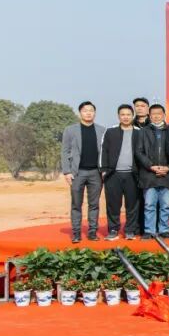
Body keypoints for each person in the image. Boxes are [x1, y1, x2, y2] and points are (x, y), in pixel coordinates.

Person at [61, 101, 106, 242]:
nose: (88, 113)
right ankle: (76, 233)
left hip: (96, 173)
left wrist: (104, 169)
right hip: (77, 172)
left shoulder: (102, 130)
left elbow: (105, 151)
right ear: (80, 112)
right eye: (85, 110)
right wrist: (67, 171)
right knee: (76, 204)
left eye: (91, 110)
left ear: (95, 113)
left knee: (94, 204)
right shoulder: (70, 130)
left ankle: (92, 232)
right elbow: (65, 151)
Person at [100, 104, 141, 240]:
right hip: (113, 175)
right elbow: (103, 150)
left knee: (132, 205)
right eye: (123, 114)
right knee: (113, 204)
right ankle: (113, 230)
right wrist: (103, 170)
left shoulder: (139, 132)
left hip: (132, 175)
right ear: (118, 116)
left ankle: (130, 230)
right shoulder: (110, 132)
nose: (125, 117)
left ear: (132, 116)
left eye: (128, 114)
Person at [135, 104, 169, 238]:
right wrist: (151, 166)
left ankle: (164, 230)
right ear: (149, 116)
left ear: (164, 115)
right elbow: (139, 152)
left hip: (166, 175)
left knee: (165, 205)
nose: (156, 116)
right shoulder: (143, 131)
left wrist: (168, 167)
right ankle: (149, 231)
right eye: (153, 114)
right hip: (149, 174)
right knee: (149, 205)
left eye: (159, 113)